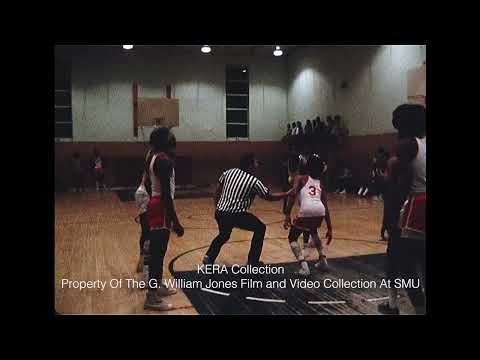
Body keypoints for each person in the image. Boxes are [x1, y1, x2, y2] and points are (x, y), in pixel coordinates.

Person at [378, 104, 426, 315]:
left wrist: (389, 220)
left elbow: (400, 187)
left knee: (403, 264)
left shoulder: (407, 146)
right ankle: (395, 304)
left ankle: (416, 307)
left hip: (415, 207)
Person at [203, 153, 292, 266]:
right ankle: (252, 262)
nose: (257, 166)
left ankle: (208, 257)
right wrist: (286, 194)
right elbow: (269, 197)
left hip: (220, 212)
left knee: (224, 235)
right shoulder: (254, 181)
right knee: (260, 228)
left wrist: (218, 207)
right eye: (256, 163)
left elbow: (217, 191)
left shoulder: (229, 172)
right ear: (250, 166)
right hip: (236, 215)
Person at [143, 127, 184, 311]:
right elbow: (167, 194)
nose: (174, 138)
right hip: (161, 207)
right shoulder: (164, 161)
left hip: (156, 204)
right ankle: (151, 297)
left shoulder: (153, 156)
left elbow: (147, 183)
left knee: (158, 252)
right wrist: (176, 221)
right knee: (157, 254)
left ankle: (157, 285)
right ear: (164, 140)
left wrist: (153, 201)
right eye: (170, 136)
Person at [284, 154, 333, 276]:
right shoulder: (320, 183)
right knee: (313, 231)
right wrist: (330, 228)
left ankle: (304, 266)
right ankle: (323, 260)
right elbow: (326, 207)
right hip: (320, 210)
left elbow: (292, 196)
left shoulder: (301, 178)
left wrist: (287, 214)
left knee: (292, 238)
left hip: (307, 210)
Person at [135, 168, 151, 273]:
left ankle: (144, 261)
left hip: (147, 214)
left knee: (146, 236)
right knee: (146, 235)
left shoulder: (148, 188)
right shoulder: (141, 191)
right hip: (145, 214)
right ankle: (143, 262)